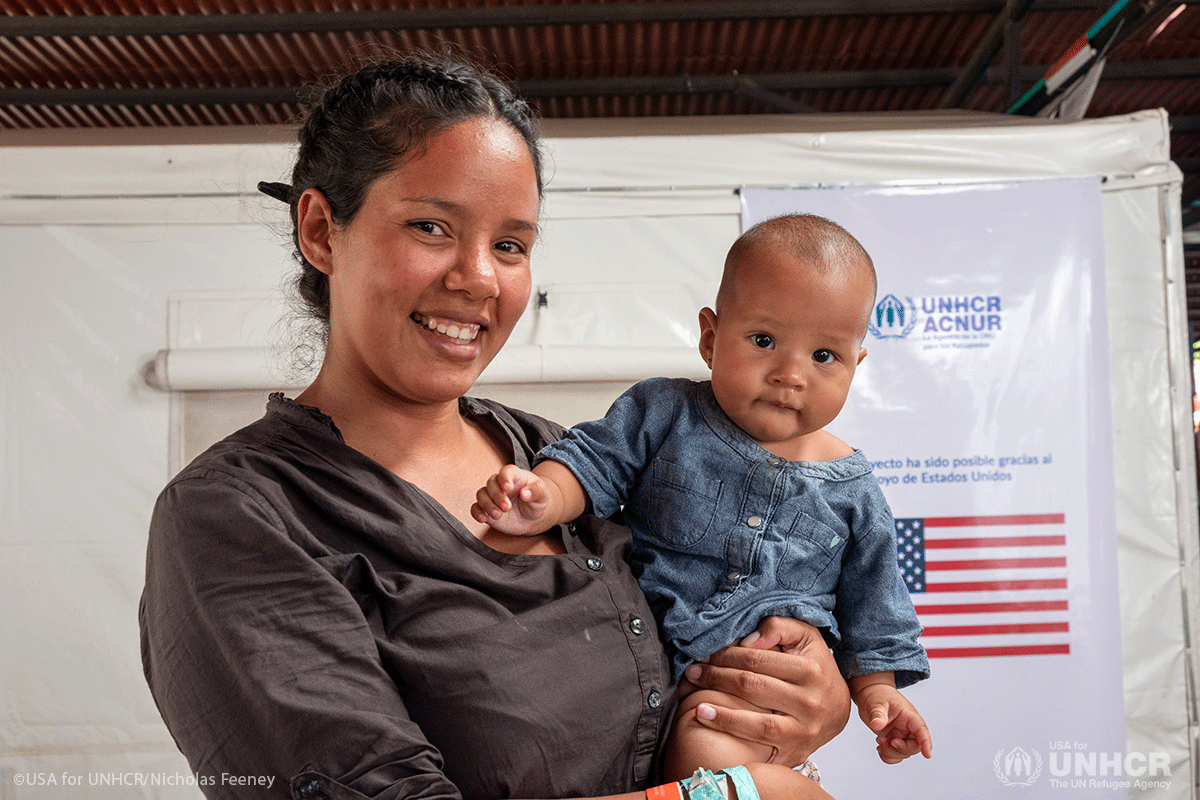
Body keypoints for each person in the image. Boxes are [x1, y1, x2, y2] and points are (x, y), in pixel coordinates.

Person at [139, 56, 852, 800]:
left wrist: (809, 683)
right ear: (321, 231)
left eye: (511, 244)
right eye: (431, 226)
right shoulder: (240, 516)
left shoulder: (562, 458)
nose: (479, 276)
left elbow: (716, 609)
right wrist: (728, 797)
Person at [472, 214, 932, 782]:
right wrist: (544, 496)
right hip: (636, 657)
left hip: (749, 689)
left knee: (708, 752)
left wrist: (880, 699)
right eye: (764, 341)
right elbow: (595, 463)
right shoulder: (664, 414)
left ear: (855, 366)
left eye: (824, 357)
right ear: (711, 339)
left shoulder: (854, 492)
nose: (791, 374)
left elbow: (875, 609)